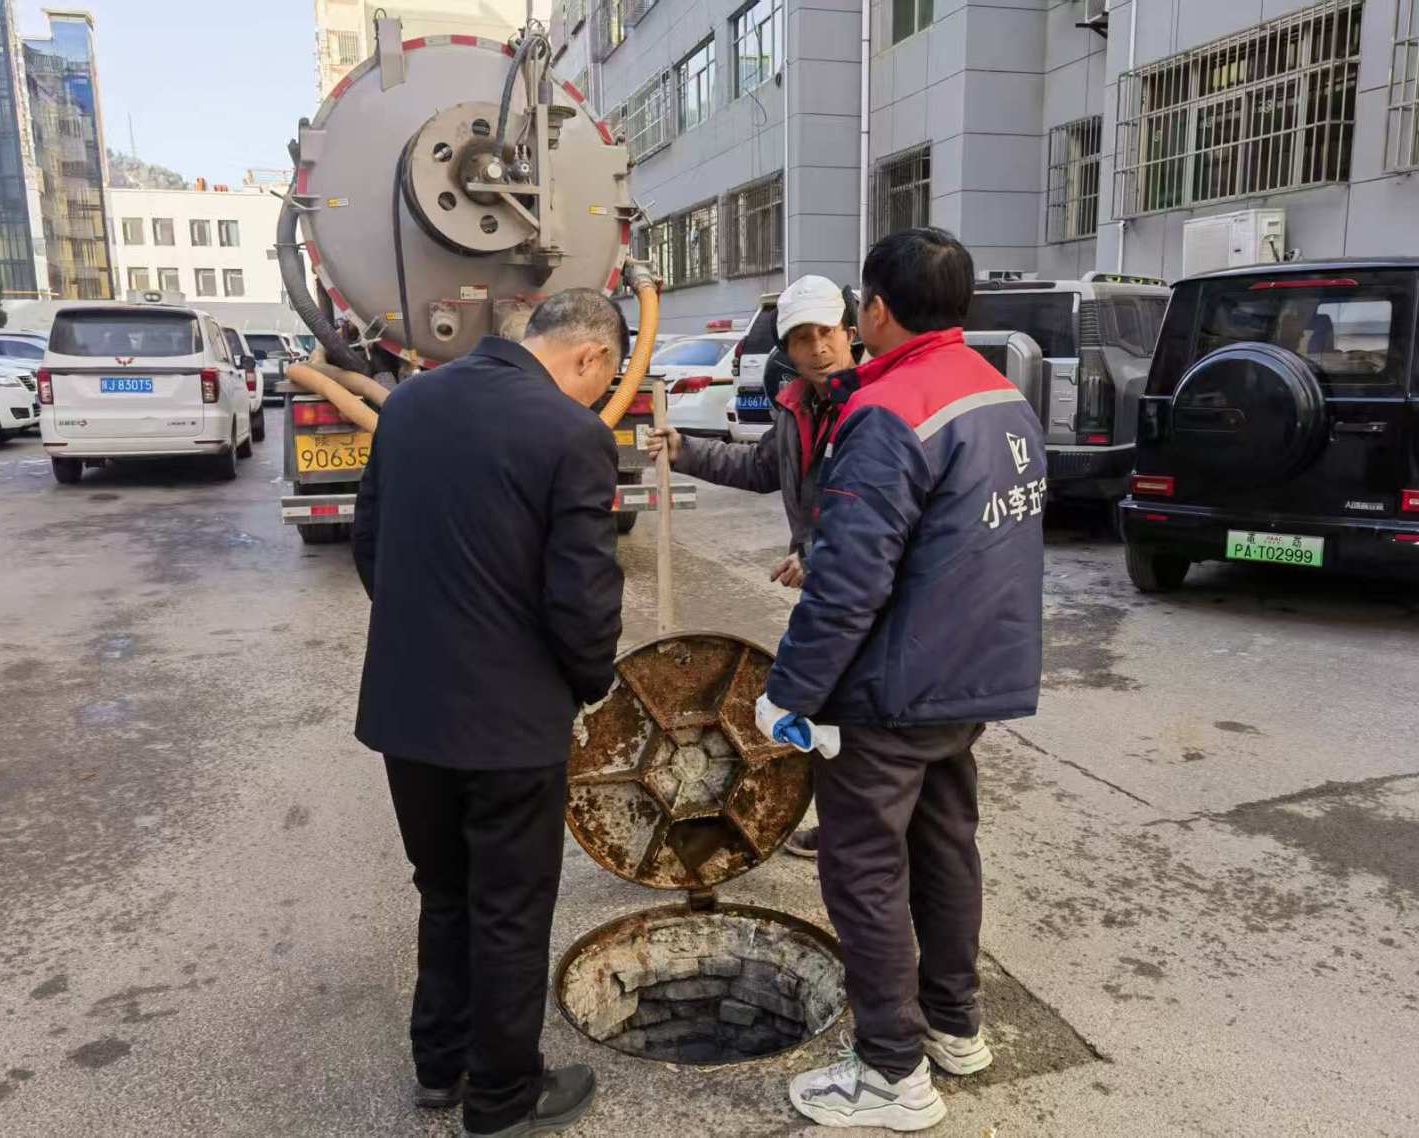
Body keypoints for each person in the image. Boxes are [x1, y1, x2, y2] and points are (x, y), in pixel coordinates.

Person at [762, 229, 1047, 1132]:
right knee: (946, 848)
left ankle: (891, 1071)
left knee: (864, 872)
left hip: (892, 691)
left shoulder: (890, 409)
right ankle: (955, 1026)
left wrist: (790, 693)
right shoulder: (1001, 394)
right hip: (973, 678)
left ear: (876, 310)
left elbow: (848, 580)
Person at [352, 289, 628, 1138]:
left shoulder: (409, 405)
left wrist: (430, 638)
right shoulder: (573, 434)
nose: (602, 391)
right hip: (510, 726)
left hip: (408, 711)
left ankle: (440, 1067)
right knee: (508, 908)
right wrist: (589, 683)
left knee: (444, 890)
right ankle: (503, 1099)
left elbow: (371, 544)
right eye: (607, 375)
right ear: (588, 355)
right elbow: (581, 598)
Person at [646, 274, 859, 859]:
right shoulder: (796, 406)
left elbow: (876, 510)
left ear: (850, 333)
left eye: (827, 332)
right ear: (787, 348)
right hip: (825, 587)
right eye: (803, 338)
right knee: (825, 708)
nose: (818, 348)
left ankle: (861, 837)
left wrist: (816, 555)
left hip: (864, 587)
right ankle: (843, 826)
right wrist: (684, 450)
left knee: (858, 714)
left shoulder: (873, 406)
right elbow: (763, 468)